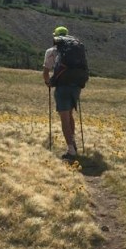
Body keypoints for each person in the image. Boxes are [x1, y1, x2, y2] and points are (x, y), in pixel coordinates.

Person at [43, 26, 83, 160]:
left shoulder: (51, 51)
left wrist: (48, 83)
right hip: (76, 86)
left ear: (55, 37)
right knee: (70, 114)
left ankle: (71, 150)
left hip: (62, 87)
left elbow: (46, 72)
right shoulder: (74, 49)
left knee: (64, 118)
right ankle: (73, 143)